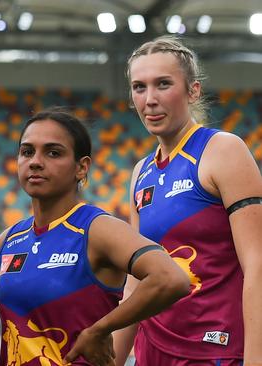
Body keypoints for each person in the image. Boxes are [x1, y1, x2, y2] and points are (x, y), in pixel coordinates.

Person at [0, 109, 190, 366]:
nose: (35, 161)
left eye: (53, 152)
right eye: (27, 151)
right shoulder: (9, 240)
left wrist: (100, 330)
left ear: (82, 168)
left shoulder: (97, 229)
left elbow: (171, 278)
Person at [112, 36, 262, 365]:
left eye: (163, 84)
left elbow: (257, 265)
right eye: (139, 87)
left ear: (193, 90)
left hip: (214, 352)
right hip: (152, 353)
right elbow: (137, 282)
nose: (149, 99)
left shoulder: (224, 151)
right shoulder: (141, 173)